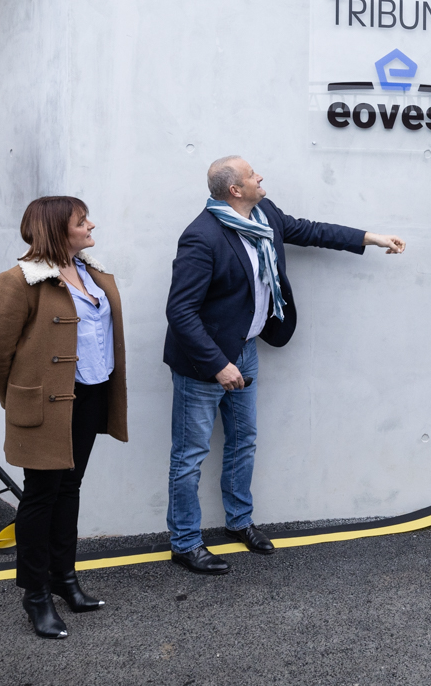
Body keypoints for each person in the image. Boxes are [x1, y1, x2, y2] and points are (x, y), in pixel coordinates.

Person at [164, 156, 405, 574]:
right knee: (190, 455)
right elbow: (180, 311)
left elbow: (312, 231)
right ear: (235, 190)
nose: (261, 177)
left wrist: (371, 238)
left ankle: (239, 522)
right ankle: (184, 542)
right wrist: (218, 365)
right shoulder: (201, 237)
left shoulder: (265, 214)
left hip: (245, 349)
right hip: (203, 362)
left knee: (243, 441)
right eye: (252, 175)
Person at [0, 197, 128, 638]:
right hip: (45, 405)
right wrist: (19, 400)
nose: (91, 226)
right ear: (56, 230)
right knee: (40, 496)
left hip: (90, 396)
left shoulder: (91, 273)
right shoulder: (19, 282)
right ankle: (36, 594)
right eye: (82, 222)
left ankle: (66, 580)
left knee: (70, 488)